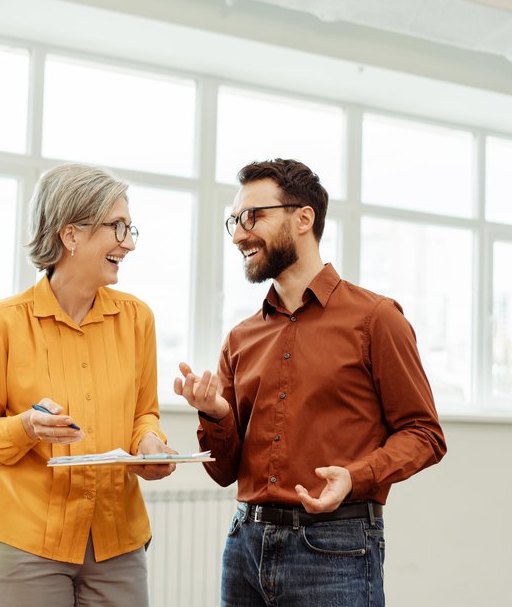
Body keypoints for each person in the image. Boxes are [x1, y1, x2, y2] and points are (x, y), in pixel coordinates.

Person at [174, 158, 446, 607]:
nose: (240, 233)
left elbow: (425, 435)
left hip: (335, 548)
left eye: (252, 216)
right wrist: (215, 414)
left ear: (304, 218)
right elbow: (224, 472)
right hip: (244, 544)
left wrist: (356, 477)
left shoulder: (377, 319)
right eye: (234, 221)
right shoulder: (241, 338)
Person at [0, 163, 176, 607]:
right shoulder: (3, 323)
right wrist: (26, 428)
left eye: (130, 229)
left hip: (118, 544)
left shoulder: (137, 318)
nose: (128, 243)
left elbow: (143, 413)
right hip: (26, 545)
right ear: (69, 234)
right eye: (117, 227)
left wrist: (150, 443)